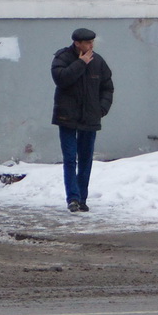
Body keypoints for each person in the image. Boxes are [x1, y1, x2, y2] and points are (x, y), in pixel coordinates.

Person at [51, 27, 114, 213]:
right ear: (77, 43)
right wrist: (80, 63)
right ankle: (73, 198)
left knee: (86, 159)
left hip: (90, 117)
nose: (91, 45)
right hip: (67, 117)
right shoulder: (62, 58)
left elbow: (107, 87)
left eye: (92, 42)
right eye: (87, 42)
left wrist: (101, 109)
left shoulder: (99, 61)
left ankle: (82, 199)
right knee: (70, 158)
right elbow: (61, 79)